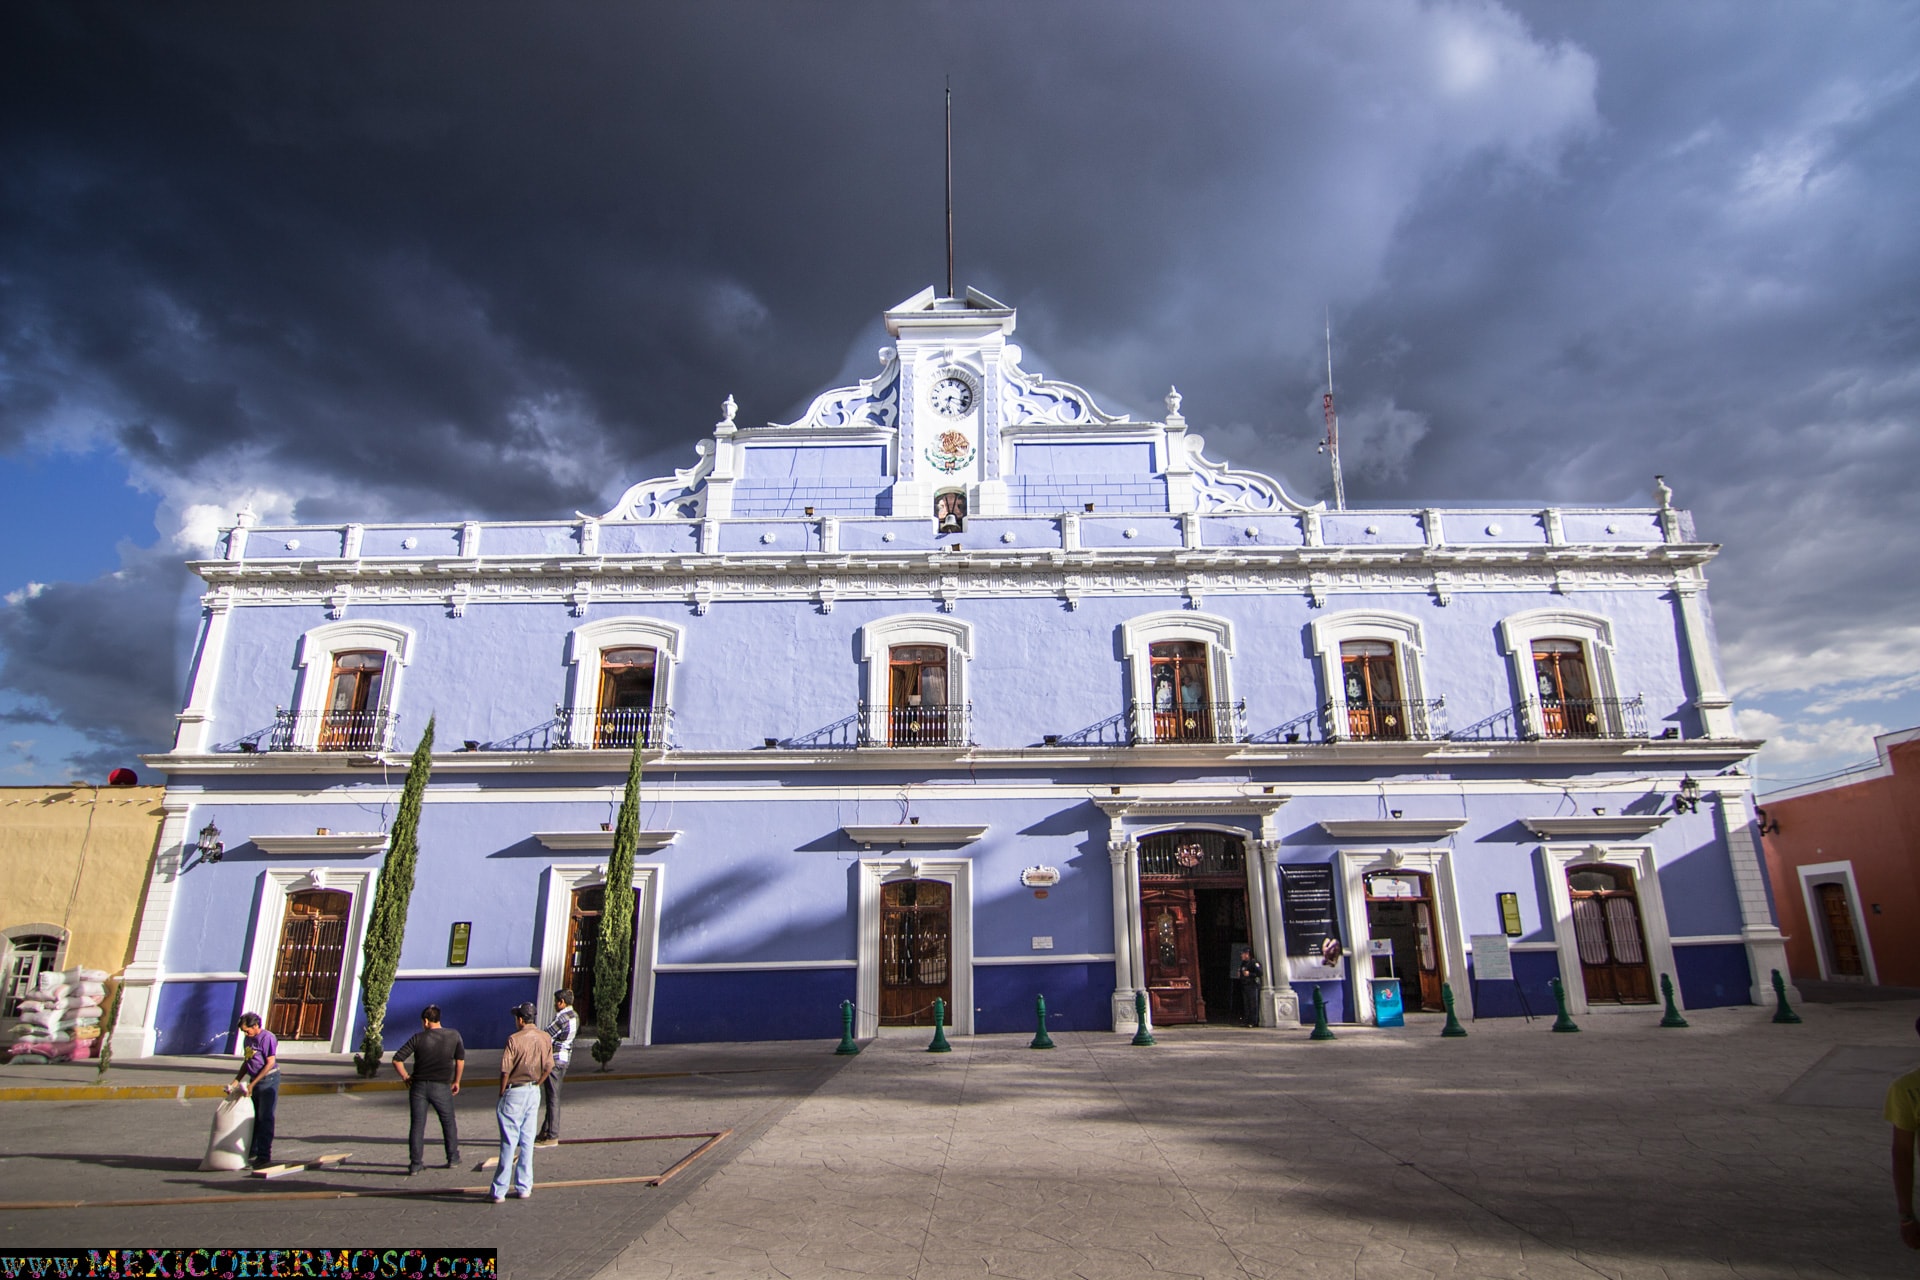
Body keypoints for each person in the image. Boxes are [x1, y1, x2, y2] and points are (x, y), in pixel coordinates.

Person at [490, 1001, 554, 1203]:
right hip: (533, 1090)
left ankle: (499, 1190)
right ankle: (524, 1186)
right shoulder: (545, 1038)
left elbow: (505, 1070)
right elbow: (549, 1067)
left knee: (509, 1141)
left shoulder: (514, 1039)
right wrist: (538, 1083)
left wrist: (502, 1091)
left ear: (520, 1019)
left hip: (514, 1091)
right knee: (527, 1140)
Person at [392, 1004, 466, 1173]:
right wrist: (457, 1081)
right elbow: (460, 1060)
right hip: (441, 1085)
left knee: (417, 1125)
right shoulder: (453, 1035)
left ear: (426, 1021)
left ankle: (415, 1164)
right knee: (448, 1122)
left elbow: (397, 1059)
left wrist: (406, 1077)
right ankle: (453, 1157)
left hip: (418, 1086)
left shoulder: (418, 1038)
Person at [1888, 1014, 1920, 1250]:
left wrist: (1906, 1216)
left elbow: (1902, 1154)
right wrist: (1906, 1215)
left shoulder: (1907, 1088)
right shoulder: (1906, 1089)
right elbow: (1902, 1155)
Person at [231, 1013, 279, 1168]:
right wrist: (237, 1080)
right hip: (254, 1081)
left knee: (265, 1118)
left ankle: (264, 1155)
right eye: (244, 1032)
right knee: (253, 1117)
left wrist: (254, 1083)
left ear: (256, 1026)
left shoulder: (267, 1038)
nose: (246, 1034)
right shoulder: (248, 1040)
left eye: (247, 1031)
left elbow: (270, 1063)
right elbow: (247, 1061)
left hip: (268, 1080)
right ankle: (252, 1149)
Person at [536, 989, 578, 1147]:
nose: (555, 1004)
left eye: (556, 1001)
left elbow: (545, 1035)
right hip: (564, 1058)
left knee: (552, 1097)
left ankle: (552, 1134)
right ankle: (545, 1131)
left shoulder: (562, 1017)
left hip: (554, 1059)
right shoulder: (574, 1016)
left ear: (562, 1002)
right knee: (553, 1095)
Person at [1236, 949, 1263, 1027]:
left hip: (1253, 985)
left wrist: (1250, 974)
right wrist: (1240, 974)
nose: (1241, 956)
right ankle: (1247, 1021)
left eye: (1243, 954)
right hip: (1245, 985)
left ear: (1247, 954)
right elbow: (1242, 972)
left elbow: (1260, 973)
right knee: (1246, 1004)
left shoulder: (1254, 962)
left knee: (1253, 1004)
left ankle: (1254, 1022)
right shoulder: (1243, 963)